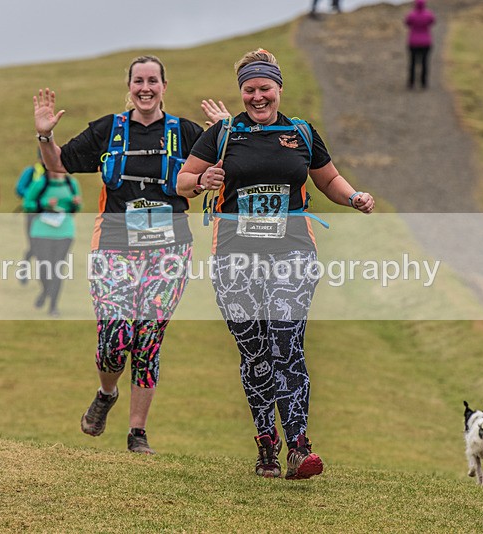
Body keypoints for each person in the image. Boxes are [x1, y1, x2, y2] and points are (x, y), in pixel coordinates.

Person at [177, 49, 374, 480]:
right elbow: (183, 181)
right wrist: (202, 180)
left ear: (279, 89)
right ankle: (267, 440)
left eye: (265, 88)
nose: (257, 96)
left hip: (292, 254)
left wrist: (354, 196)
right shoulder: (223, 134)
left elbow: (328, 180)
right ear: (241, 92)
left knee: (286, 343)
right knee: (255, 353)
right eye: (249, 89)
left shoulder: (301, 133)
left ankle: (299, 446)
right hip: (235, 257)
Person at [32, 55, 228, 454]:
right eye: (138, 81)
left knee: (148, 335)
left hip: (170, 248)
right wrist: (45, 136)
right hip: (114, 246)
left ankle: (137, 432)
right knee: (115, 335)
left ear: (164, 86)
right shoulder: (108, 130)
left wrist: (225, 135)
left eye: (152, 81)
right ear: (129, 86)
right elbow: (58, 166)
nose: (145, 88)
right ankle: (106, 394)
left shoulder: (187, 132)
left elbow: (225, 169)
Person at [22, 169, 82, 317]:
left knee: (57, 269)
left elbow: (77, 208)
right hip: (41, 230)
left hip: (64, 231)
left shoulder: (71, 183)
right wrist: (44, 203)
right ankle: (45, 291)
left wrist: (75, 203)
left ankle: (53, 306)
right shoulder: (40, 183)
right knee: (44, 267)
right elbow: (27, 203)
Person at [15, 149, 48, 281]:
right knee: (34, 245)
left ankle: (46, 275)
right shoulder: (31, 172)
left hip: (51, 216)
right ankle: (25, 268)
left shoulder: (57, 172)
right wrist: (34, 196)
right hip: (33, 214)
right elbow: (19, 189)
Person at [404, 0, 435, 89]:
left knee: (413, 62)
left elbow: (407, 23)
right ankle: (423, 83)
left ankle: (411, 82)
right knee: (425, 62)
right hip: (426, 42)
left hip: (413, 42)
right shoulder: (429, 14)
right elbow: (432, 22)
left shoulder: (411, 14)